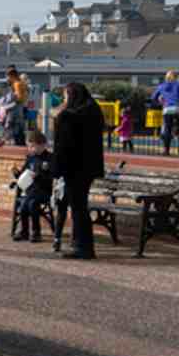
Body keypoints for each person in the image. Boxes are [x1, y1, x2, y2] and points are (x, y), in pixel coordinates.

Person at [51, 82, 105, 259]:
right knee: (79, 207)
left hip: (76, 169)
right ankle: (79, 244)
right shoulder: (91, 110)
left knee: (78, 208)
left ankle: (84, 247)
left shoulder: (72, 115)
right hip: (87, 168)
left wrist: (60, 114)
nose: (64, 100)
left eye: (66, 96)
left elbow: (64, 143)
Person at [12, 130, 53, 242]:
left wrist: (38, 177)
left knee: (32, 203)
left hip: (44, 191)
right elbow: (23, 173)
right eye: (29, 146)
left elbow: (51, 177)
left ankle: (36, 232)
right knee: (26, 204)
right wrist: (16, 173)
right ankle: (24, 231)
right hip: (31, 191)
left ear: (42, 145)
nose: (31, 149)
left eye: (33, 146)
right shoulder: (30, 158)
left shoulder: (49, 158)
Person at [153, 70, 179, 156]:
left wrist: (160, 101)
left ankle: (166, 150)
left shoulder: (161, 86)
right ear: (175, 77)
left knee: (167, 129)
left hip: (168, 109)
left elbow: (153, 97)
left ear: (166, 77)